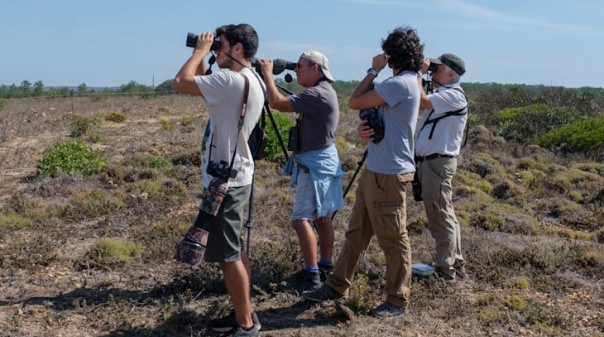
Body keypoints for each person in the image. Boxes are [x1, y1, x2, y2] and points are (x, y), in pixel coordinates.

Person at [303, 26, 424, 317]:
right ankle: (336, 285)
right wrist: (366, 129)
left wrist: (373, 69)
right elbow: (373, 115)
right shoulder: (407, 82)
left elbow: (355, 100)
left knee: (394, 240)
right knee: (357, 233)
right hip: (378, 169)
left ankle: (397, 300)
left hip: (389, 173)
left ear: (390, 55)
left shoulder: (399, 84)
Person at [172, 23, 263, 337]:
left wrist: (198, 51)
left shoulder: (230, 80)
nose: (215, 49)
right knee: (236, 249)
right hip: (239, 175)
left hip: (226, 182)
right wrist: (207, 53)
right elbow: (201, 83)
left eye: (220, 44)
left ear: (237, 49)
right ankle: (245, 312)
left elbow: (181, 82)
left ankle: (246, 326)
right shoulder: (251, 79)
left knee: (228, 257)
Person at [257, 51, 344, 291]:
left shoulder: (317, 94)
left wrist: (266, 74)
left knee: (300, 219)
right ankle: (325, 266)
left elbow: (276, 103)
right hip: (322, 162)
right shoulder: (324, 92)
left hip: (314, 165)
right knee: (322, 217)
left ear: (315, 69)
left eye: (301, 66)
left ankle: (312, 275)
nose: (296, 70)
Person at [415, 53, 469, 282]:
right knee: (445, 213)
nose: (433, 72)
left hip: (437, 163)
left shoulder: (453, 96)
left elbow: (421, 101)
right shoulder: (444, 95)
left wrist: (417, 75)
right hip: (432, 163)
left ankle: (446, 269)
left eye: (438, 69)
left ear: (451, 74)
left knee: (440, 214)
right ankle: (454, 262)